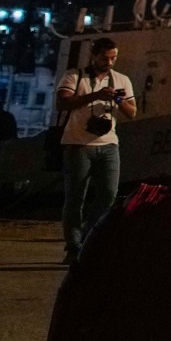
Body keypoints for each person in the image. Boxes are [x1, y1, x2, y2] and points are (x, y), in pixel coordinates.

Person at [55, 38, 136, 265]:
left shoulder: (121, 80)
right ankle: (73, 247)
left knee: (108, 194)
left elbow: (132, 113)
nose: (109, 62)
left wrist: (117, 99)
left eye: (113, 58)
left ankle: (89, 239)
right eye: (104, 58)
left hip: (109, 145)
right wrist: (95, 96)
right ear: (94, 55)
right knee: (75, 198)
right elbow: (62, 104)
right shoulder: (74, 76)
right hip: (78, 144)